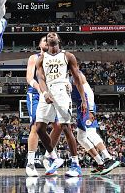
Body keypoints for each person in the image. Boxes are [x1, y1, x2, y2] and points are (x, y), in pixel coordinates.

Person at [35, 32, 87, 177]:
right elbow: (41, 78)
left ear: (58, 40)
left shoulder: (68, 56)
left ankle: (75, 164)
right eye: (48, 35)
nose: (51, 35)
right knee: (39, 128)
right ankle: (54, 157)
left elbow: (77, 78)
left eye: (54, 34)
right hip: (47, 91)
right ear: (46, 41)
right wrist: (45, 93)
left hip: (62, 90)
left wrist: (83, 99)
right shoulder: (41, 59)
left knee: (65, 126)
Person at [25, 36, 48, 176]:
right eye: (44, 40)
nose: (46, 41)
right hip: (36, 93)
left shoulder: (56, 58)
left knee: (58, 125)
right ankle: (31, 163)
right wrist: (39, 88)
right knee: (35, 126)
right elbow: (29, 77)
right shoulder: (34, 57)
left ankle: (49, 156)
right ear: (39, 44)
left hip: (51, 94)